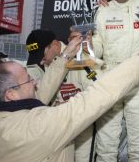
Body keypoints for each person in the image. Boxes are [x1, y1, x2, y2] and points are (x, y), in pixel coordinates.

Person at [0, 38, 139, 162]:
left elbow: (40, 96)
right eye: (28, 79)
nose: (34, 82)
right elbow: (97, 96)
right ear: (11, 94)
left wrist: (65, 57)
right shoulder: (40, 126)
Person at [91, 0, 139, 162]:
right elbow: (97, 48)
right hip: (110, 78)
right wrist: (87, 45)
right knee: (106, 145)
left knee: (138, 146)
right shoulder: (102, 9)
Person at [26, 29, 101, 162]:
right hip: (59, 129)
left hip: (84, 125)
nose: (41, 61)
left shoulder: (79, 55)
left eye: (42, 54)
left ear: (55, 45)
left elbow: (97, 92)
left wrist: (68, 105)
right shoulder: (46, 64)